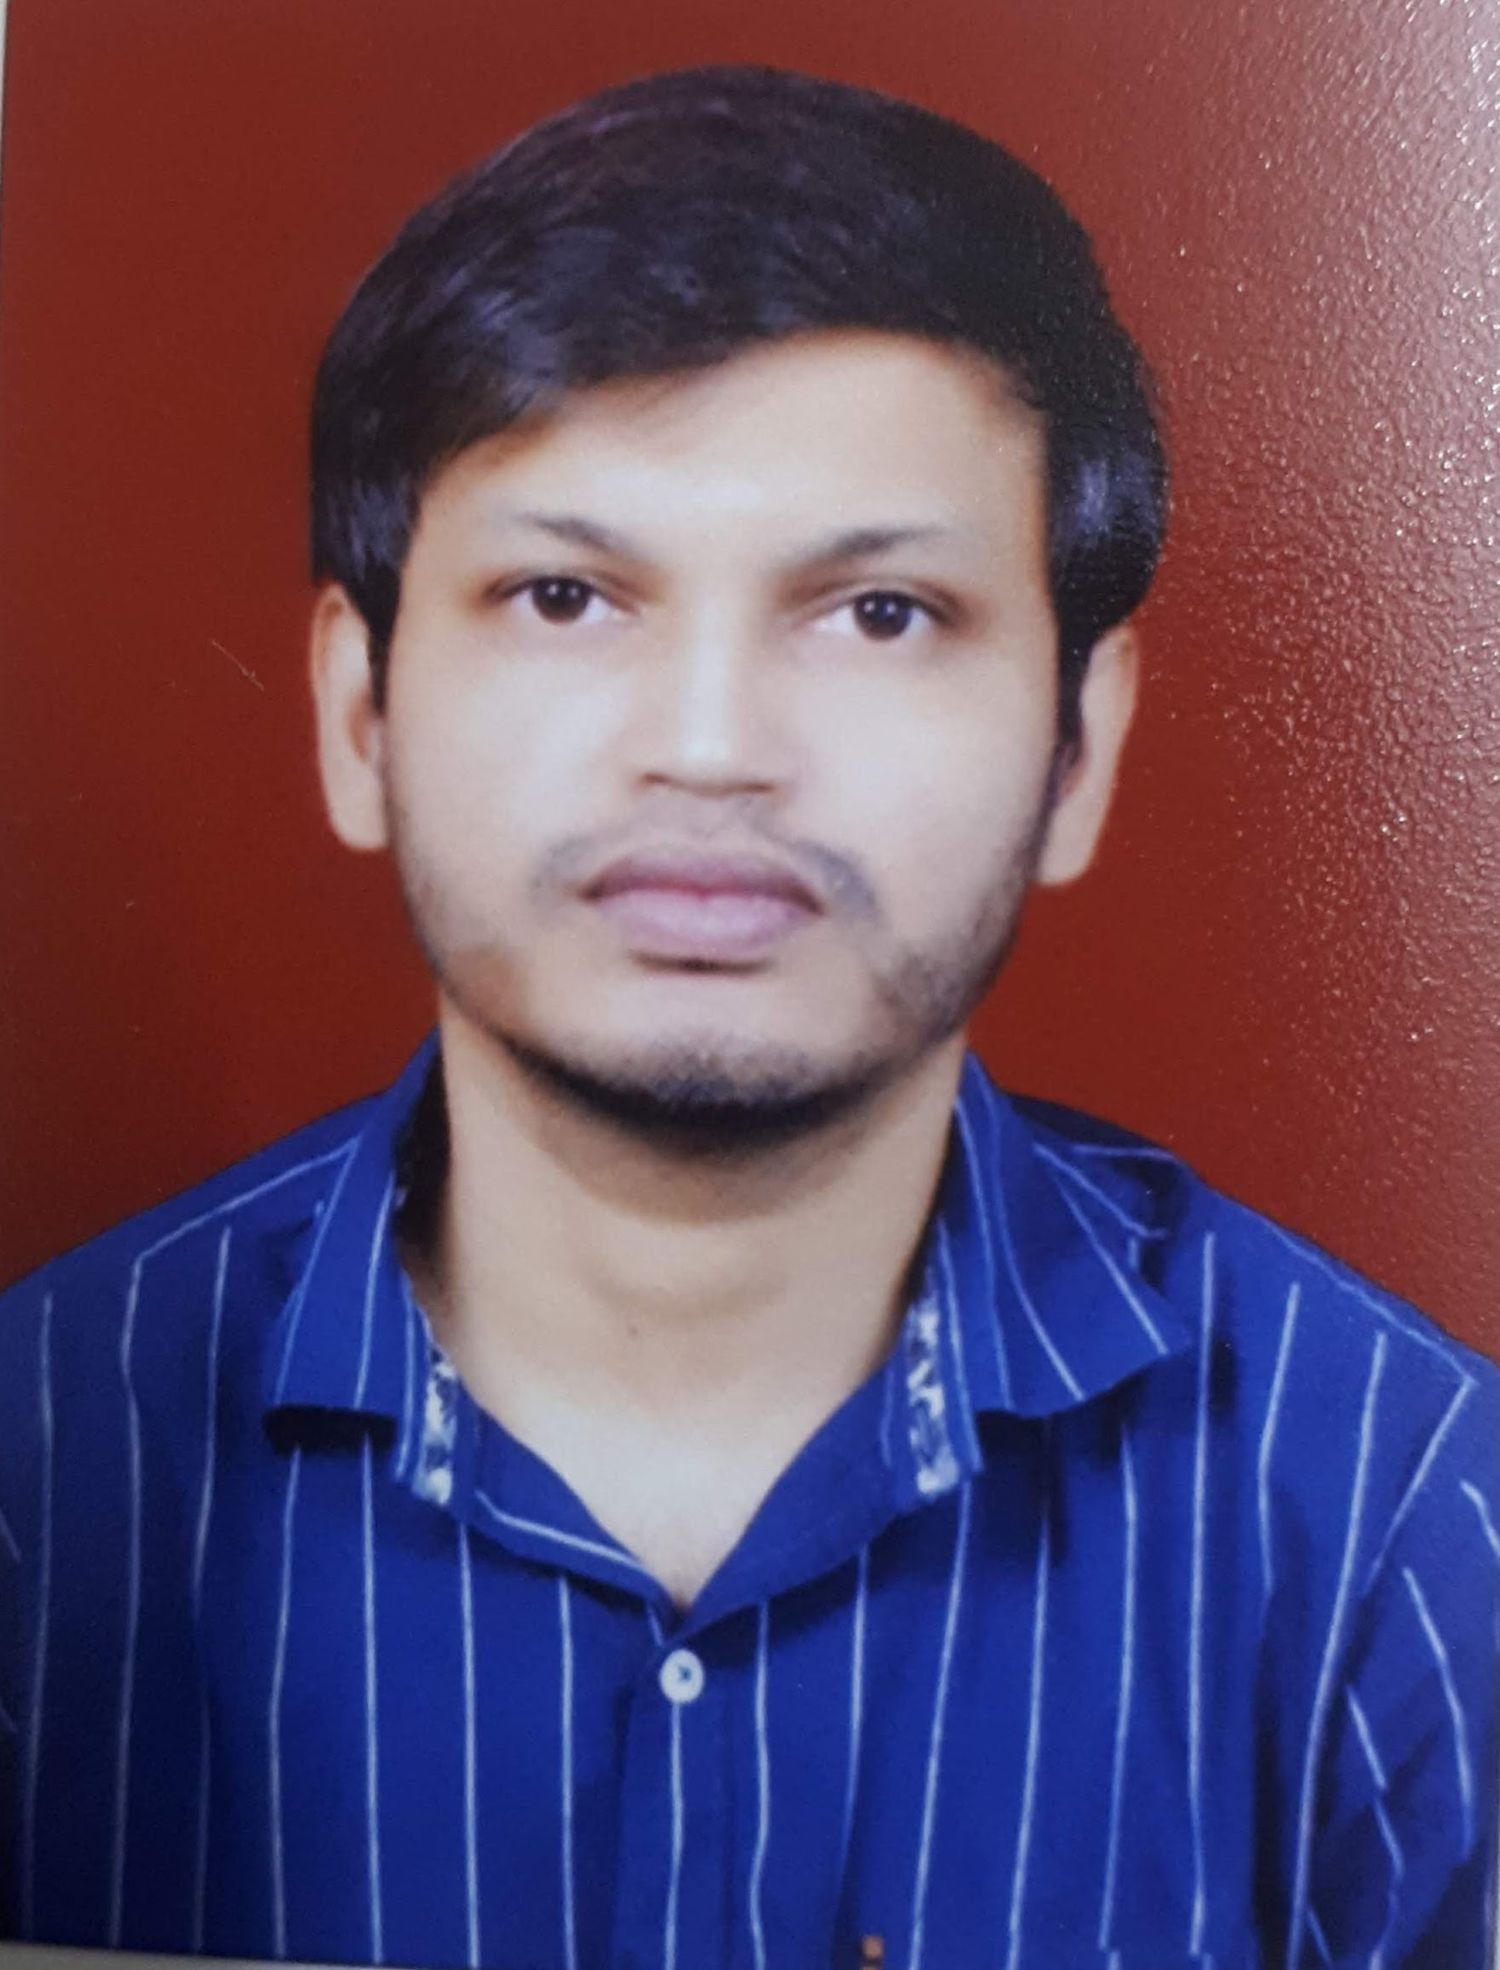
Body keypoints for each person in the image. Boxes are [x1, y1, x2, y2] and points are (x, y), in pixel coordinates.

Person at [1, 62, 1495, 1970]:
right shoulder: (42, 1478)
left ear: (1079, 745)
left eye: (879, 613)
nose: (710, 749)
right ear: (358, 713)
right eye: (564, 596)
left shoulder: (1401, 1530)